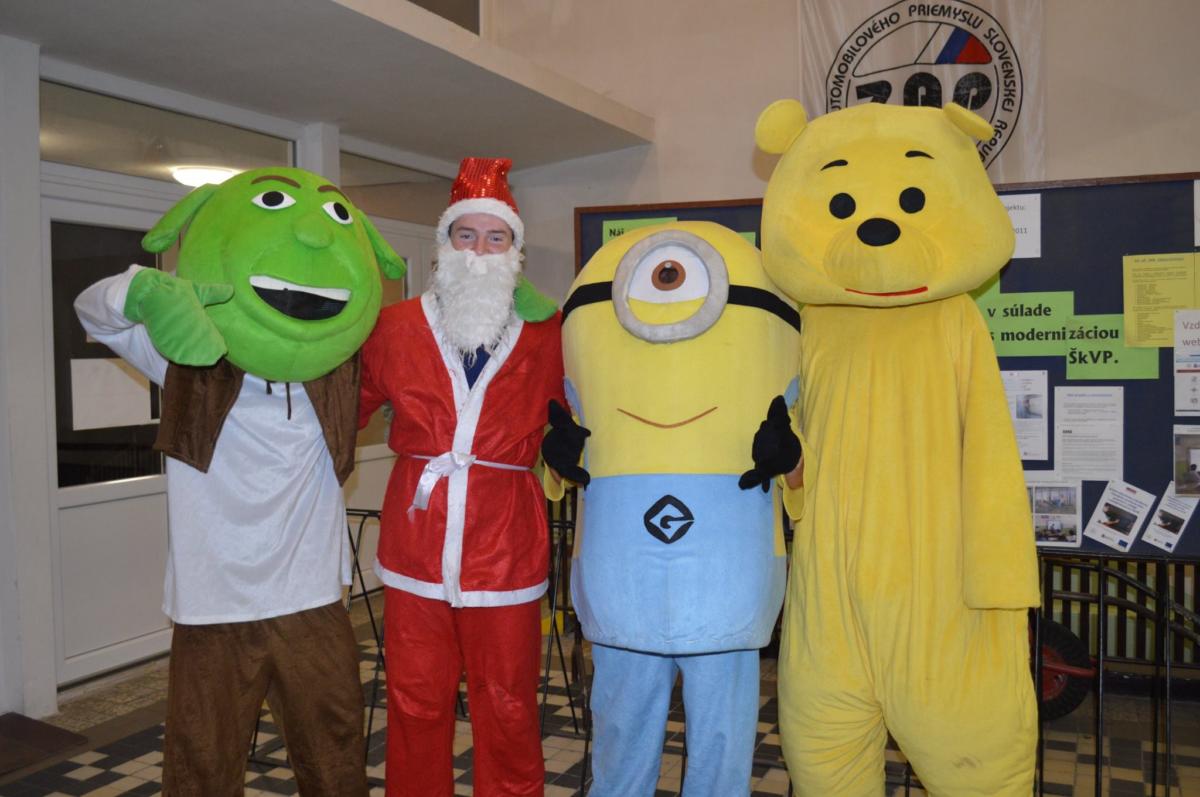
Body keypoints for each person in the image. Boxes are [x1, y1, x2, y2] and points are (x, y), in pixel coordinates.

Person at [74, 167, 405, 795]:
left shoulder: (336, 366)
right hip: (213, 601)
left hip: (311, 597)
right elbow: (93, 309)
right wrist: (145, 288)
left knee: (334, 752)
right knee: (202, 758)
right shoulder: (181, 359)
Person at [358, 157, 567, 797]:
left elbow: (585, 410)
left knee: (508, 700)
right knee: (415, 696)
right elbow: (343, 408)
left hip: (506, 540)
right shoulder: (393, 327)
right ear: (444, 243)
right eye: (466, 235)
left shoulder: (547, 331)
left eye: (495, 237)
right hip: (416, 540)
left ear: (515, 250)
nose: (479, 250)